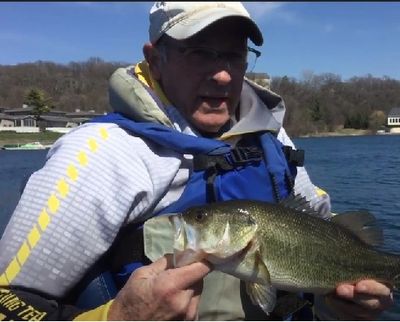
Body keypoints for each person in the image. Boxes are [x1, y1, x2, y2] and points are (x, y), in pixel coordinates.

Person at [0, 2, 394, 320]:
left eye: (234, 56)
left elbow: (320, 252)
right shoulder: (101, 156)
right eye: (200, 53)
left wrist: (339, 306)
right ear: (155, 60)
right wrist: (116, 318)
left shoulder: (273, 139)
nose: (223, 75)